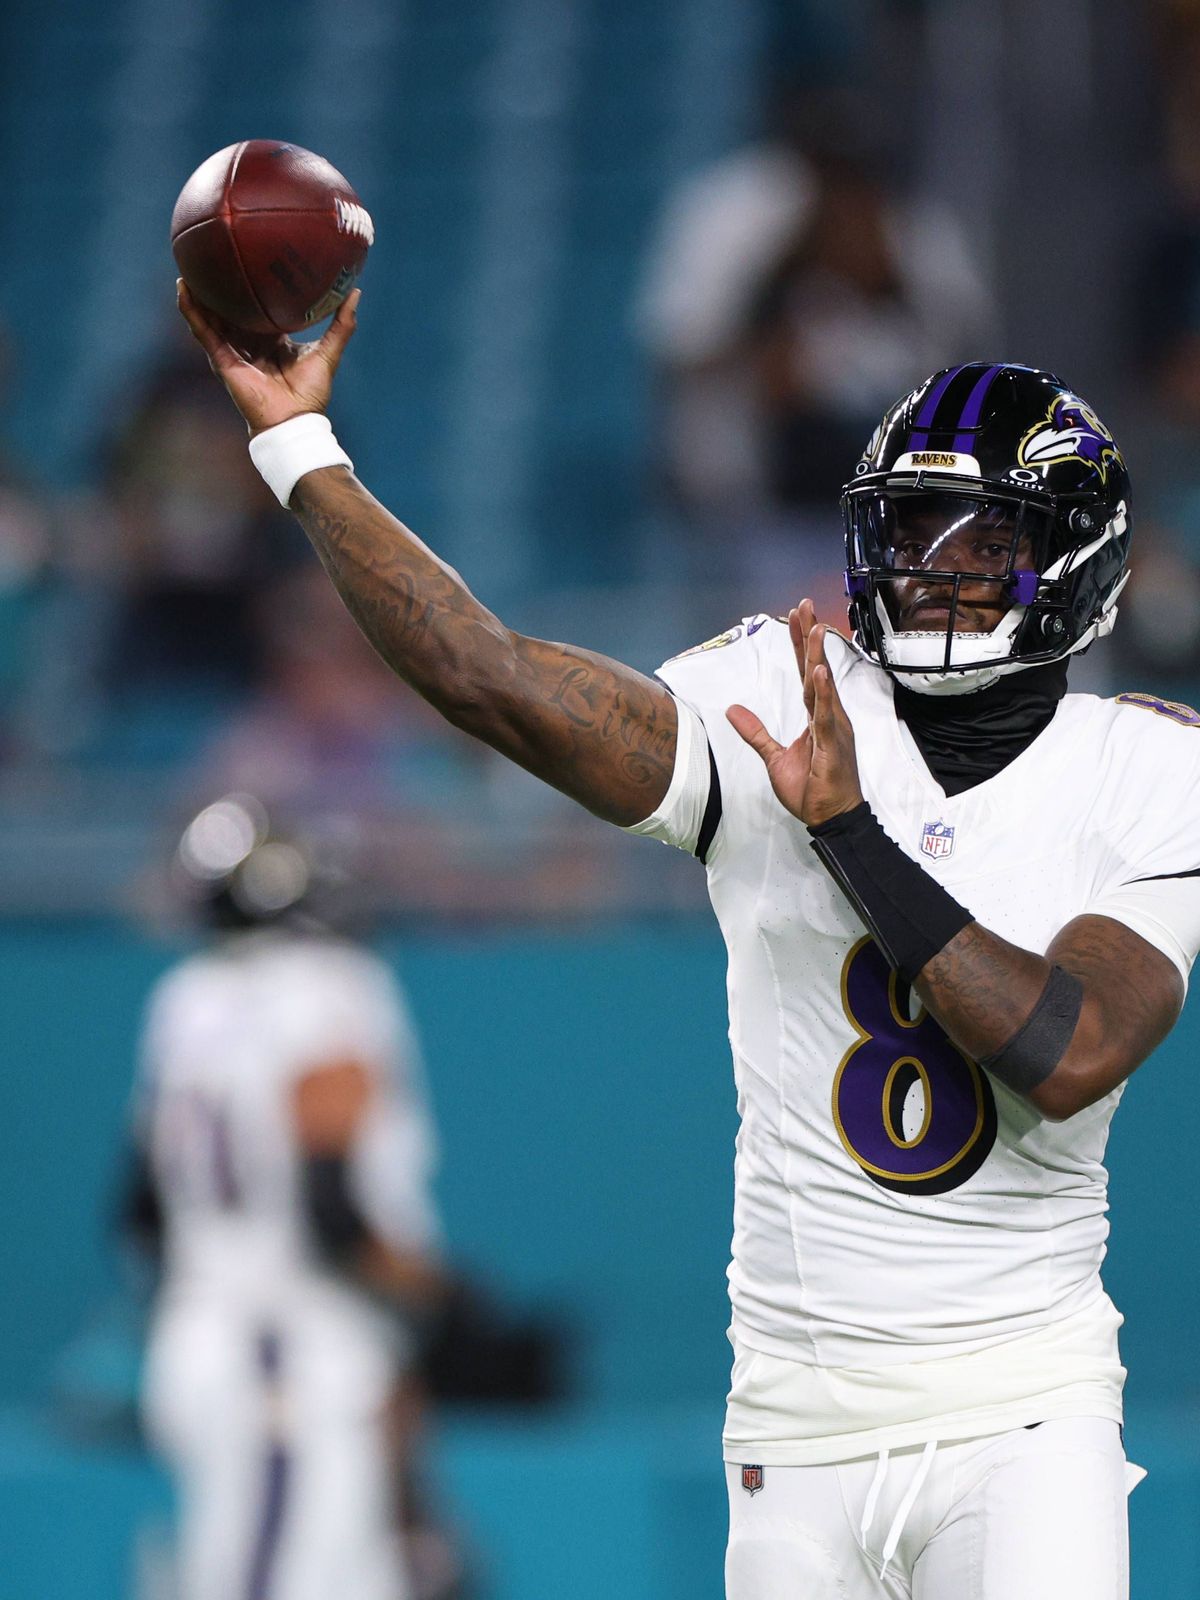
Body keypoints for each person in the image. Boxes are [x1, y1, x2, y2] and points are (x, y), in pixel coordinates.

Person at [177, 281, 1200, 1600]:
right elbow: (493, 677)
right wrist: (299, 451)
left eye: (979, 539)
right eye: (911, 529)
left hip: (1022, 1414)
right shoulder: (780, 687)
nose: (933, 565)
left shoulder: (1145, 772)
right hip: (793, 1425)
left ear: (1075, 560)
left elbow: (1069, 1048)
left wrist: (852, 838)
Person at [127, 792, 447, 1600]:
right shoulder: (331, 988)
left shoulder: (182, 1001)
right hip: (285, 1346)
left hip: (206, 1336)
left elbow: (139, 1211)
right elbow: (330, 1203)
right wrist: (429, 1293)